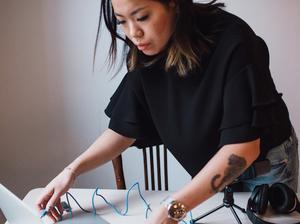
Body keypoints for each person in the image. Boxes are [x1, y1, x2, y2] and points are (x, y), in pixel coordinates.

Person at [36, 0, 299, 223]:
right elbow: (123, 130)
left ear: (174, 5)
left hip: (264, 167)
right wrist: (71, 171)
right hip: (213, 170)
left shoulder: (234, 39)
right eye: (122, 21)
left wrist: (175, 207)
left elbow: (242, 152)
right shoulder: (145, 51)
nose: (133, 33)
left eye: (142, 17)